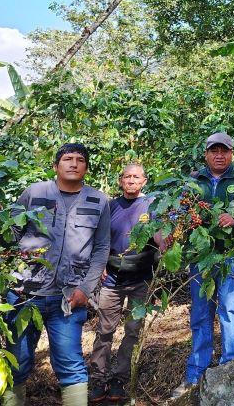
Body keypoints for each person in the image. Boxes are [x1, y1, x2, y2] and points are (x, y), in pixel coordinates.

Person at [2, 143, 110, 406]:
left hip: (68, 297)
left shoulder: (98, 200)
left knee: (70, 364)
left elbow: (102, 246)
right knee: (17, 360)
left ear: (86, 167)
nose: (73, 164)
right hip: (24, 293)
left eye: (80, 160)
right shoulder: (35, 193)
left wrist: (86, 288)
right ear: (56, 165)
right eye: (67, 159)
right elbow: (9, 232)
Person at [171, 133, 234, 398]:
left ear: (232, 153)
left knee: (230, 308)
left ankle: (232, 365)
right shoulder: (194, 181)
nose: (219, 155)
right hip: (200, 257)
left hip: (230, 254)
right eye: (214, 151)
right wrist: (189, 220)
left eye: (224, 151)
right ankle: (196, 373)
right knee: (200, 312)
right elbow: (178, 212)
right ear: (206, 154)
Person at [89, 163, 158, 403]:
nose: (131, 180)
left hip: (141, 279)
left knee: (132, 331)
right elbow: (100, 240)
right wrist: (99, 268)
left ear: (144, 181)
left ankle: (119, 378)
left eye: (136, 176)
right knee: (105, 330)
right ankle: (99, 379)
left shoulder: (152, 205)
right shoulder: (110, 207)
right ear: (121, 181)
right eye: (127, 176)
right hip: (113, 279)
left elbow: (160, 238)